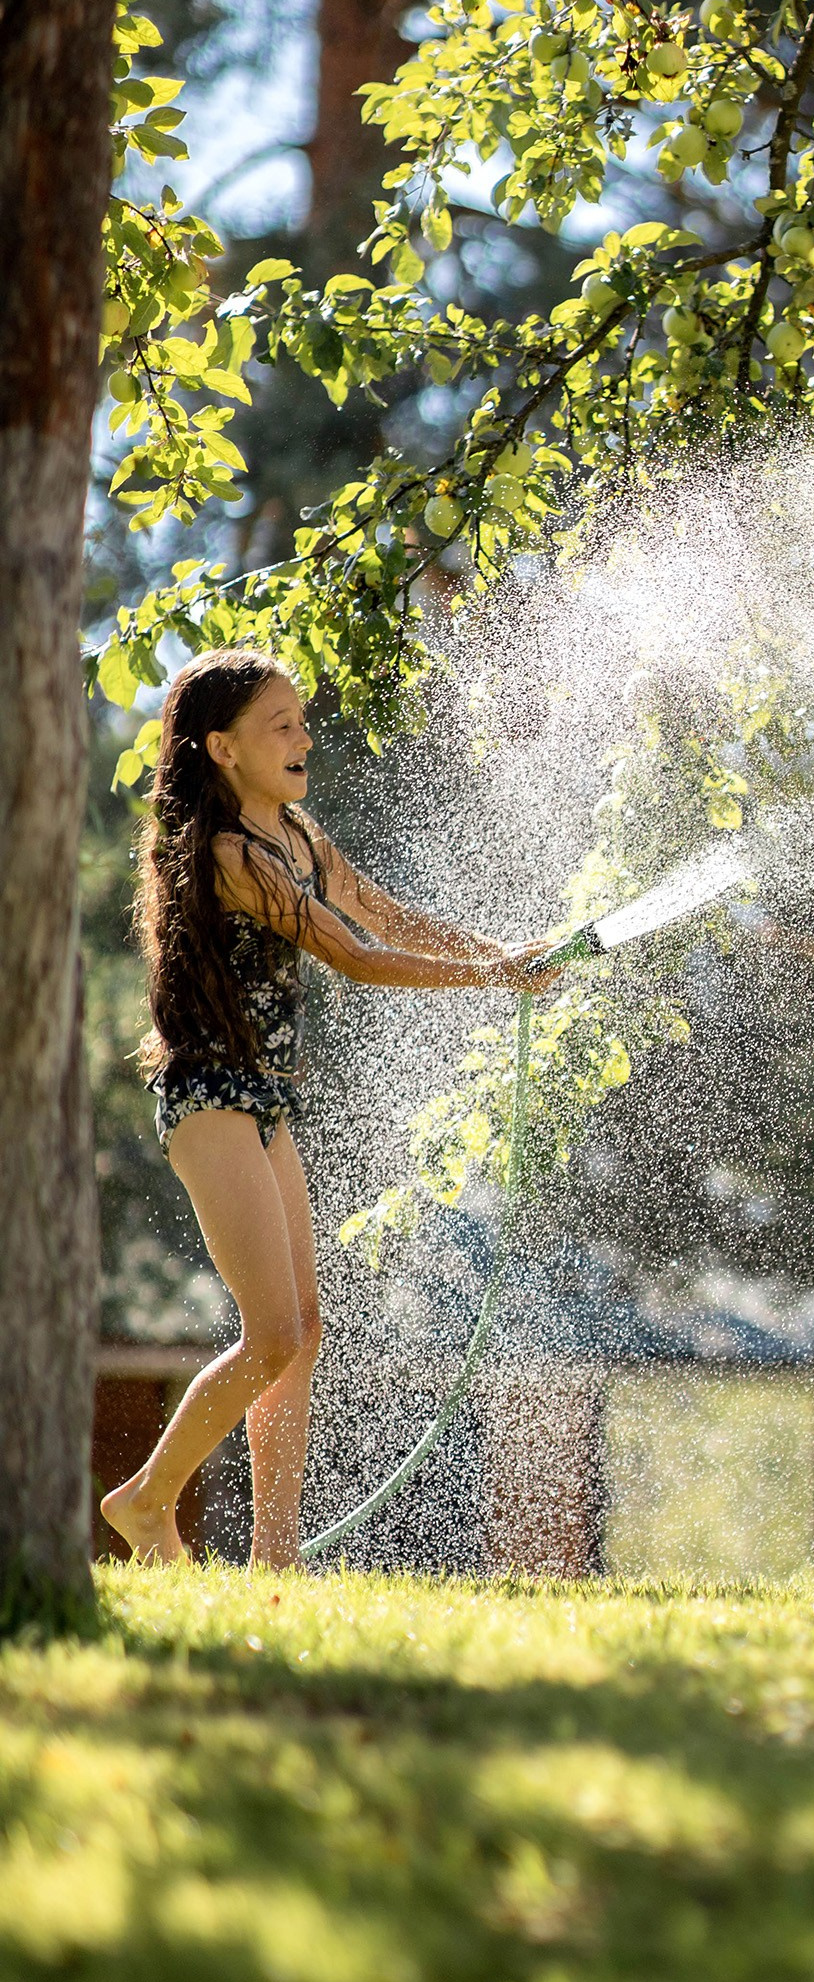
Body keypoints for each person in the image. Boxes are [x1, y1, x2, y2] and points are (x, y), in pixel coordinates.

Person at [100, 647, 556, 1570]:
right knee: (272, 1334)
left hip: (264, 1099)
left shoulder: (300, 837)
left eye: (303, 720)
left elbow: (385, 918)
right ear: (223, 749)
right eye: (283, 725)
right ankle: (145, 1501)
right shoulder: (231, 854)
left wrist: (503, 951)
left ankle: (277, 1557)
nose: (305, 737)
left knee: (302, 1333)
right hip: (209, 1098)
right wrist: (489, 974)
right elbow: (353, 954)